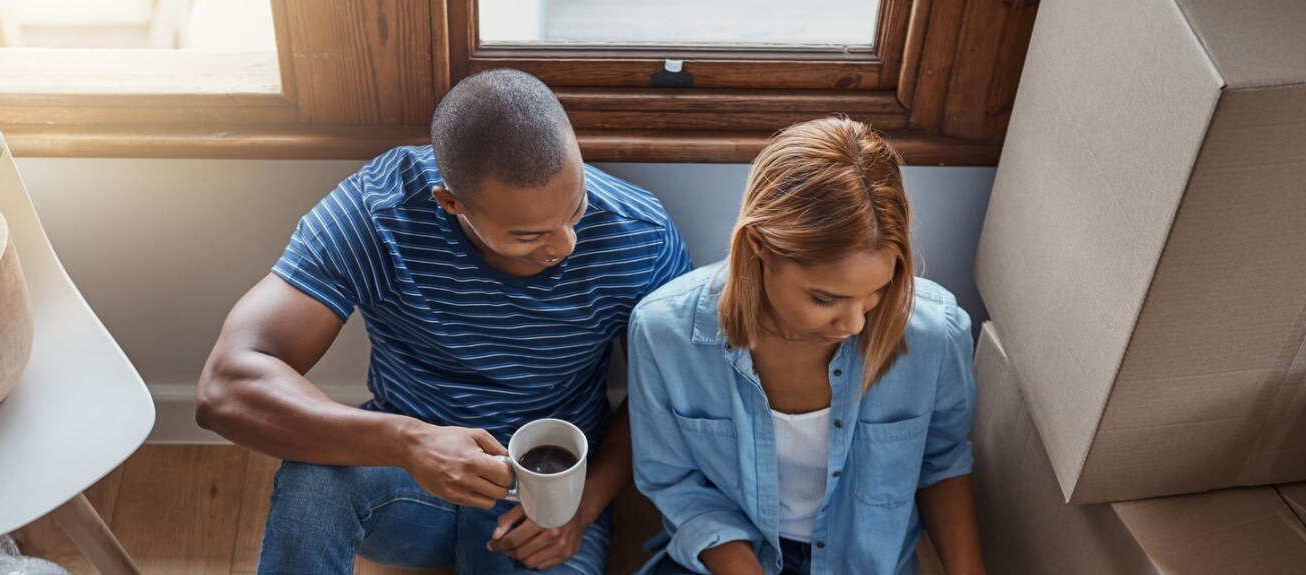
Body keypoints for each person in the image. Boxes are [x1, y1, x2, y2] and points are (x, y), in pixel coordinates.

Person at [196, 68, 692, 574]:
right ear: (451, 204)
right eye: (529, 235)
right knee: (315, 481)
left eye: (577, 206)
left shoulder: (642, 238)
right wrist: (410, 443)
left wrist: (585, 503)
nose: (566, 245)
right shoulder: (379, 211)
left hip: (547, 497)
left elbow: (672, 394)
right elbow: (224, 388)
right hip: (405, 475)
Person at [627, 117, 985, 575]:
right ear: (759, 246)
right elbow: (673, 481)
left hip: (863, 561)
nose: (855, 323)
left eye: (876, 290)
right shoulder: (664, 334)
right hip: (730, 557)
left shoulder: (937, 334)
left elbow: (942, 462)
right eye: (824, 298)